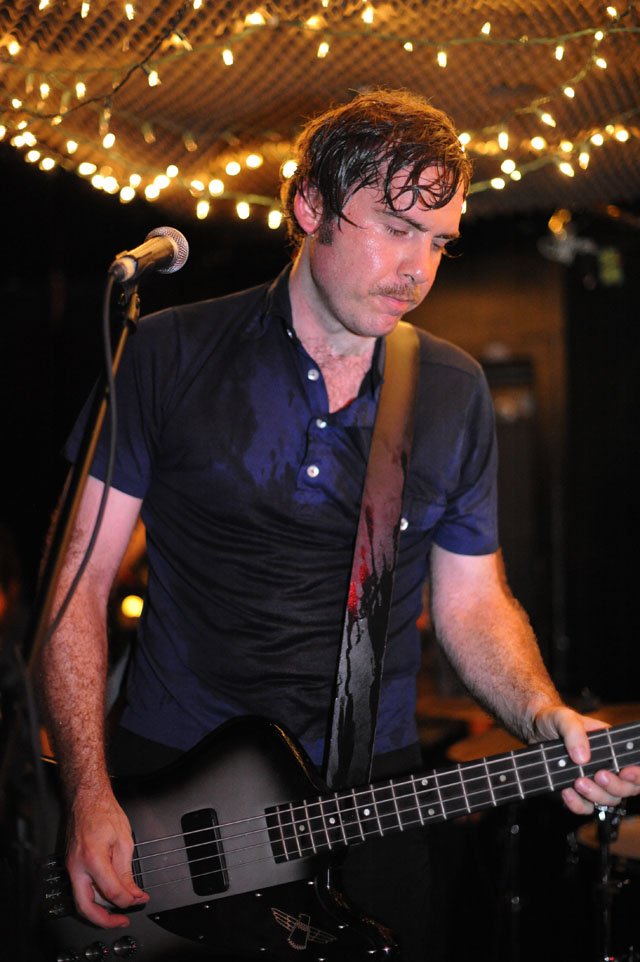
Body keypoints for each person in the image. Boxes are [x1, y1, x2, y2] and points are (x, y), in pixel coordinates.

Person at [39, 89, 640, 960]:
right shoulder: (168, 352)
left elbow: (472, 601)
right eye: (396, 227)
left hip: (369, 799)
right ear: (309, 206)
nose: (418, 269)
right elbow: (77, 584)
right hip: (162, 793)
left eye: (439, 242)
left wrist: (544, 714)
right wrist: (87, 789)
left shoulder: (451, 389)